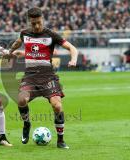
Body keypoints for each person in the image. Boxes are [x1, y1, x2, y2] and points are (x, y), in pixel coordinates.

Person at [8, 7, 78, 149]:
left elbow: (72, 48)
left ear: (42, 19)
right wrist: (10, 51)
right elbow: (18, 42)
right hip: (30, 76)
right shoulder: (24, 34)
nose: (37, 26)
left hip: (47, 77)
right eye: (33, 23)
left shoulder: (51, 35)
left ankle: (60, 140)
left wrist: (73, 59)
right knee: (21, 100)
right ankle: (27, 124)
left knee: (57, 106)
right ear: (29, 22)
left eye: (39, 22)